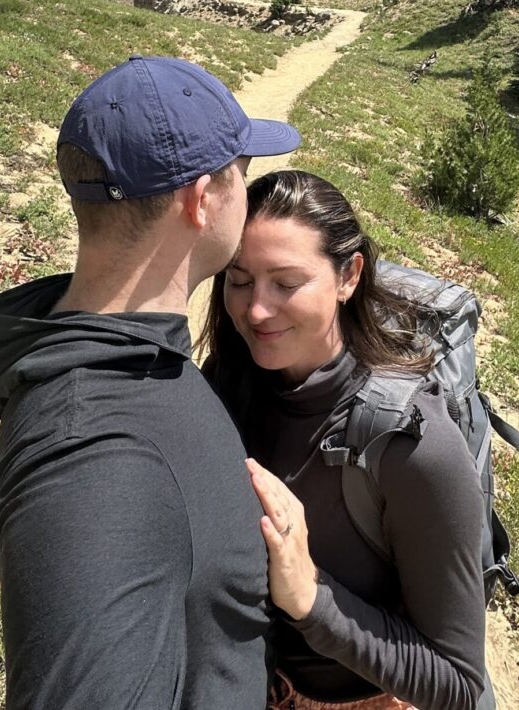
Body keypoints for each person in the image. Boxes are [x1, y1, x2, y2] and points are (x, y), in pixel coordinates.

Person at [0, 54, 300, 710]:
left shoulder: (112, 363)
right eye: (242, 170)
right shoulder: (96, 459)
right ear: (201, 200)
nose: (249, 184)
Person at [202, 169, 489, 710]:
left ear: (348, 276)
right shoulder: (231, 377)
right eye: (239, 280)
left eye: (286, 283)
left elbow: (457, 682)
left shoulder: (411, 447)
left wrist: (312, 598)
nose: (256, 309)